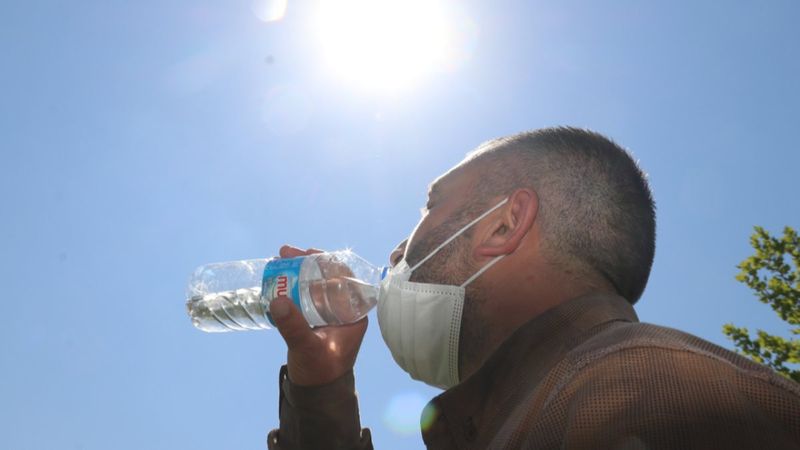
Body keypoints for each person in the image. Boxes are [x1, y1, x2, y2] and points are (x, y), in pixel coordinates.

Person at [265, 127, 800, 449]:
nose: (396, 251)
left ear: (504, 224)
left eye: (431, 206)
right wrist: (323, 389)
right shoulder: (558, 404)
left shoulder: (644, 398)